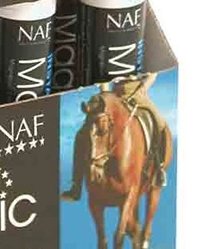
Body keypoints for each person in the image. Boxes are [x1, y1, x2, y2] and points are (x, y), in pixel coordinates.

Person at [61, 73, 167, 202]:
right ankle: (76, 185)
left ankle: (158, 168)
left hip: (137, 91)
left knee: (159, 123)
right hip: (113, 94)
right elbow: (103, 75)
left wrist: (142, 88)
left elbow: (153, 73)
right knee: (83, 133)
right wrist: (105, 93)